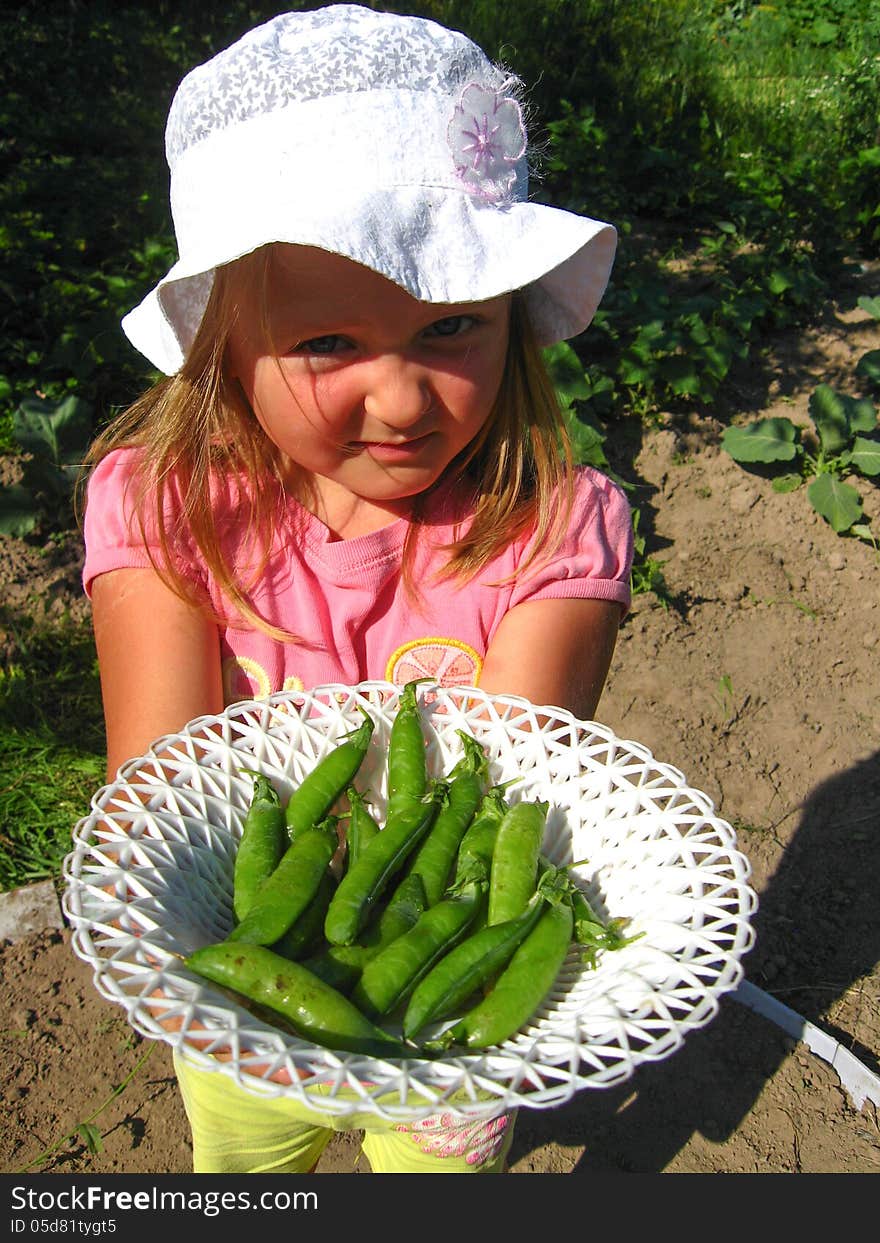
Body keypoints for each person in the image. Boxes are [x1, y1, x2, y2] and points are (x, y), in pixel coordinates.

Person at [80, 5, 633, 1174]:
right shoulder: (167, 516)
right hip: (244, 993)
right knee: (244, 1175)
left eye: (451, 326)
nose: (400, 401)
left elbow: (496, 809)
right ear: (222, 341)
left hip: (445, 1032)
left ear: (515, 327)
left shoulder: (547, 536)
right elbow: (158, 798)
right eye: (328, 343)